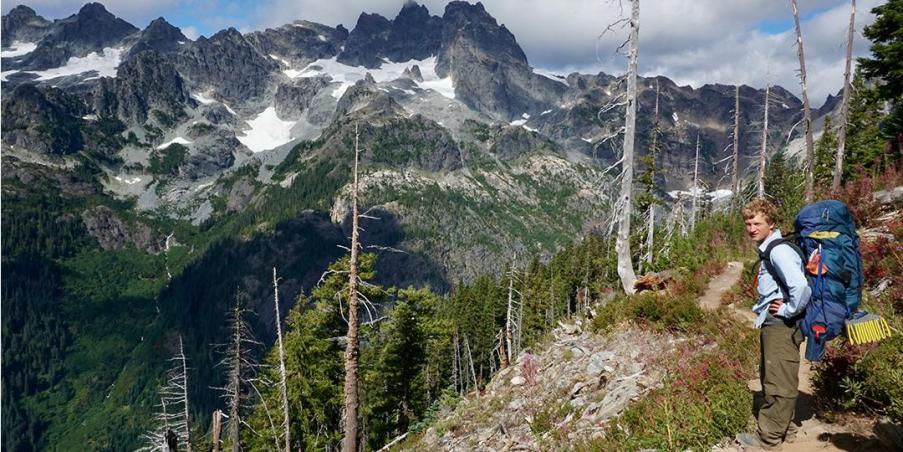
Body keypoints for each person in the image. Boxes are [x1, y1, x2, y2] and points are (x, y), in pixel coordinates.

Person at [736, 198, 811, 450]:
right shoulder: (771, 248)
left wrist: (789, 310)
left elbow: (800, 287)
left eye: (757, 223)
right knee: (775, 375)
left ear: (771, 223)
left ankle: (767, 440)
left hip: (782, 325)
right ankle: (785, 427)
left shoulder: (778, 250)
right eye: (748, 223)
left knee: (778, 380)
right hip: (776, 323)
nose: (751, 228)